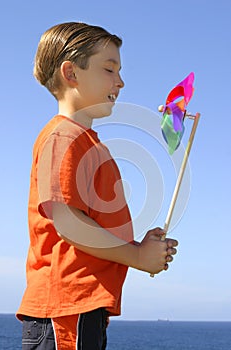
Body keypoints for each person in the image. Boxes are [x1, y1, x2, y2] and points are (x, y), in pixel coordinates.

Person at [17, 22, 178, 350]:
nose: (120, 81)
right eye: (109, 69)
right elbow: (69, 224)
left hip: (79, 308)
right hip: (66, 308)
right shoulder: (63, 137)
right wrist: (137, 255)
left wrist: (141, 246)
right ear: (71, 73)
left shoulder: (87, 142)